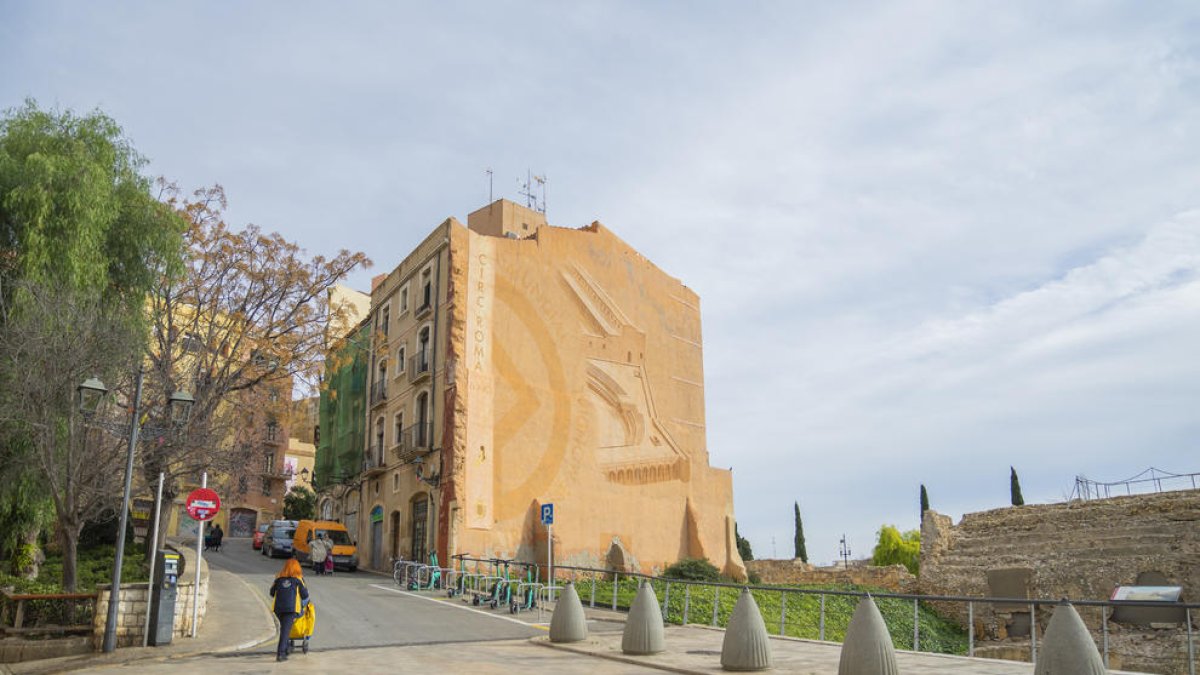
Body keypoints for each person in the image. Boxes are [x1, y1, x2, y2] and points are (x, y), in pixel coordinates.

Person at [268, 558, 308, 662]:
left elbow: (272, 593)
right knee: (285, 631)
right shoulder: (298, 580)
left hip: (278, 609)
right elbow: (305, 595)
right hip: (291, 609)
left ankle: (285, 649)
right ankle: (281, 654)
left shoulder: (278, 579)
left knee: (285, 629)